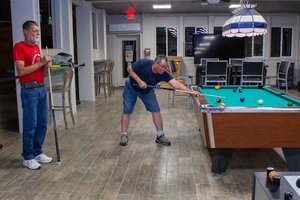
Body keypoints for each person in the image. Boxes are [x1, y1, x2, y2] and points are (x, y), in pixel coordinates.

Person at [120, 54, 199, 146]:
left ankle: (160, 135)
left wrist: (191, 92)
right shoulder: (144, 63)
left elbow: (175, 84)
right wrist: (139, 81)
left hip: (147, 91)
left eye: (166, 67)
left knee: (156, 110)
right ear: (155, 64)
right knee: (127, 110)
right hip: (131, 87)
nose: (164, 69)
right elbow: (129, 69)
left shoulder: (164, 74)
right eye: (162, 66)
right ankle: (124, 135)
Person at [13, 20, 53, 170]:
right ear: (25, 31)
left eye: (38, 31)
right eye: (34, 30)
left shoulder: (36, 47)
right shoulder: (19, 47)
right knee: (31, 124)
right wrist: (41, 63)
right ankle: (27, 156)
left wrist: (45, 65)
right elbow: (21, 71)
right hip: (29, 90)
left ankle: (37, 152)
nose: (37, 33)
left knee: (42, 123)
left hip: (41, 89)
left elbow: (39, 69)